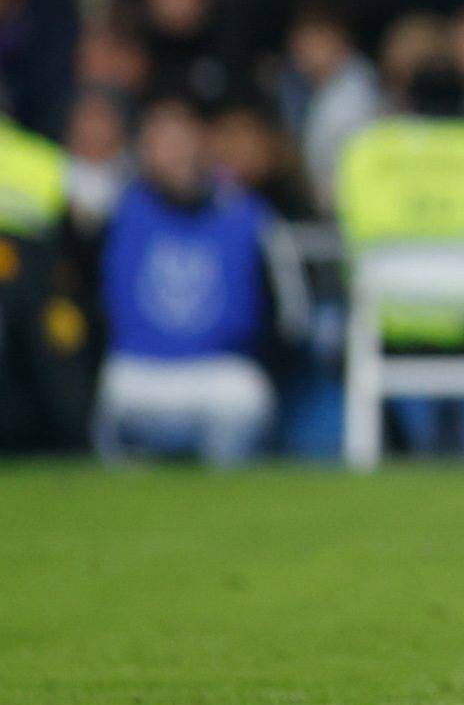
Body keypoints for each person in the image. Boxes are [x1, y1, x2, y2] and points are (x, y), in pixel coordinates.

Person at [92, 94, 307, 465]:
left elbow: (290, 319)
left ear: (205, 144)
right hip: (136, 371)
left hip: (220, 374)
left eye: (183, 141)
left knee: (244, 394)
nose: (176, 155)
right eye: (162, 143)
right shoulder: (114, 212)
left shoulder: (249, 217)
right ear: (143, 150)